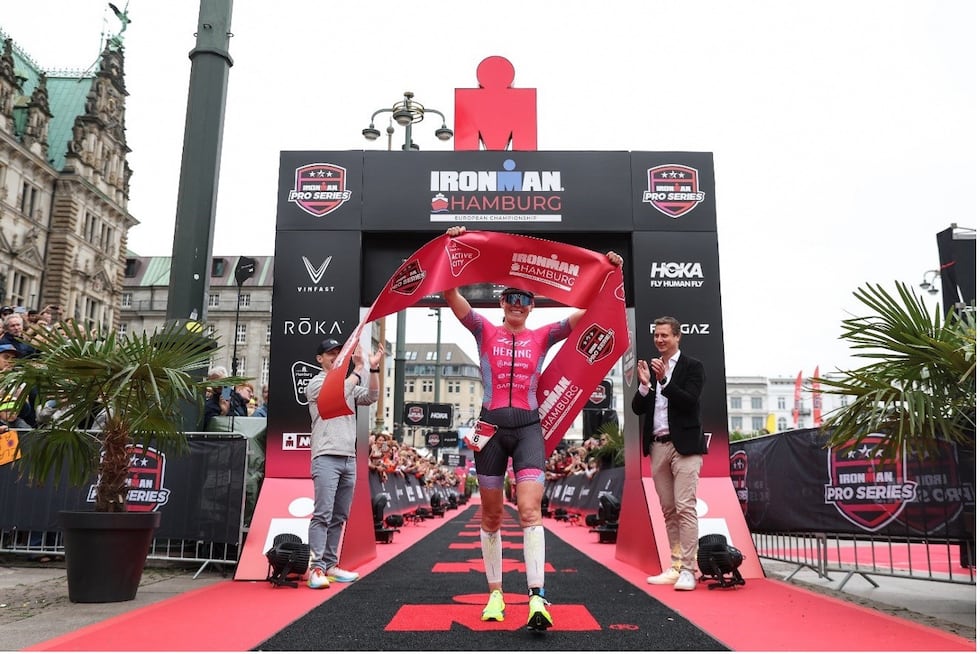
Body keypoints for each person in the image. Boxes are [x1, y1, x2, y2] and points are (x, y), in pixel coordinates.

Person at [443, 224, 624, 630]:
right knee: (490, 518)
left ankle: (538, 598)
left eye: (525, 299)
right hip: (489, 430)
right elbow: (450, 295)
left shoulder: (543, 335)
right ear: (502, 302)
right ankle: (495, 595)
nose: (518, 305)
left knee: (528, 511)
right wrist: (451, 247)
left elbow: (587, 310)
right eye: (511, 298)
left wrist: (608, 273)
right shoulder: (483, 329)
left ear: (532, 306)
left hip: (527, 429)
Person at [631, 316, 706, 591]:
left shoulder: (692, 367)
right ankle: (675, 566)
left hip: (685, 446)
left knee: (685, 506)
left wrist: (664, 381)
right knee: (669, 509)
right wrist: (644, 385)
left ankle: (689, 569)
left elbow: (689, 402)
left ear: (677, 337)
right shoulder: (651, 368)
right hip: (658, 446)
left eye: (665, 335)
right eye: (656, 335)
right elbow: (638, 408)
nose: (659, 340)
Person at [304, 337, 385, 589]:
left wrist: (372, 369)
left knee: (339, 515)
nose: (335, 357)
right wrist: (358, 369)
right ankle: (316, 568)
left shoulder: (349, 385)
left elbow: (372, 396)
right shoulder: (316, 383)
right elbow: (336, 391)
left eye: (339, 353)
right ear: (320, 359)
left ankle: (329, 564)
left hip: (348, 458)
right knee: (323, 514)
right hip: (326, 455)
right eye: (330, 353)